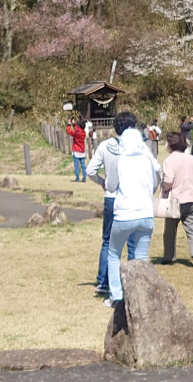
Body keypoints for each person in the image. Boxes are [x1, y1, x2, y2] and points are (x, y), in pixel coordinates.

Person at [101, 111, 160, 304]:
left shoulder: (120, 159)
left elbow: (110, 186)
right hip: (145, 213)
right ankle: (140, 294)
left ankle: (117, 296)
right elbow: (157, 175)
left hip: (124, 214)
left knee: (114, 254)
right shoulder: (146, 158)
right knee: (141, 257)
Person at [160, 131, 193, 266]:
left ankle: (169, 256)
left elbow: (168, 180)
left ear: (170, 145)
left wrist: (164, 187)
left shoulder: (169, 160)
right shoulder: (192, 159)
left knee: (169, 230)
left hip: (176, 200)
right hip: (192, 198)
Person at [92, 123, 121, 297]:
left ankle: (103, 281)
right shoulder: (135, 147)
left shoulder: (105, 146)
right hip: (128, 198)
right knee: (131, 241)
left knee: (108, 241)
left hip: (110, 197)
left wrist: (101, 181)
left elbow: (90, 170)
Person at [68, 117, 88, 183]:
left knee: (77, 166)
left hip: (76, 150)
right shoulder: (83, 133)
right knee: (83, 165)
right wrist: (74, 124)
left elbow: (69, 131)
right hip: (82, 150)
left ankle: (77, 178)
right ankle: (84, 177)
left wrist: (69, 125)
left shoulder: (76, 132)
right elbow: (76, 128)